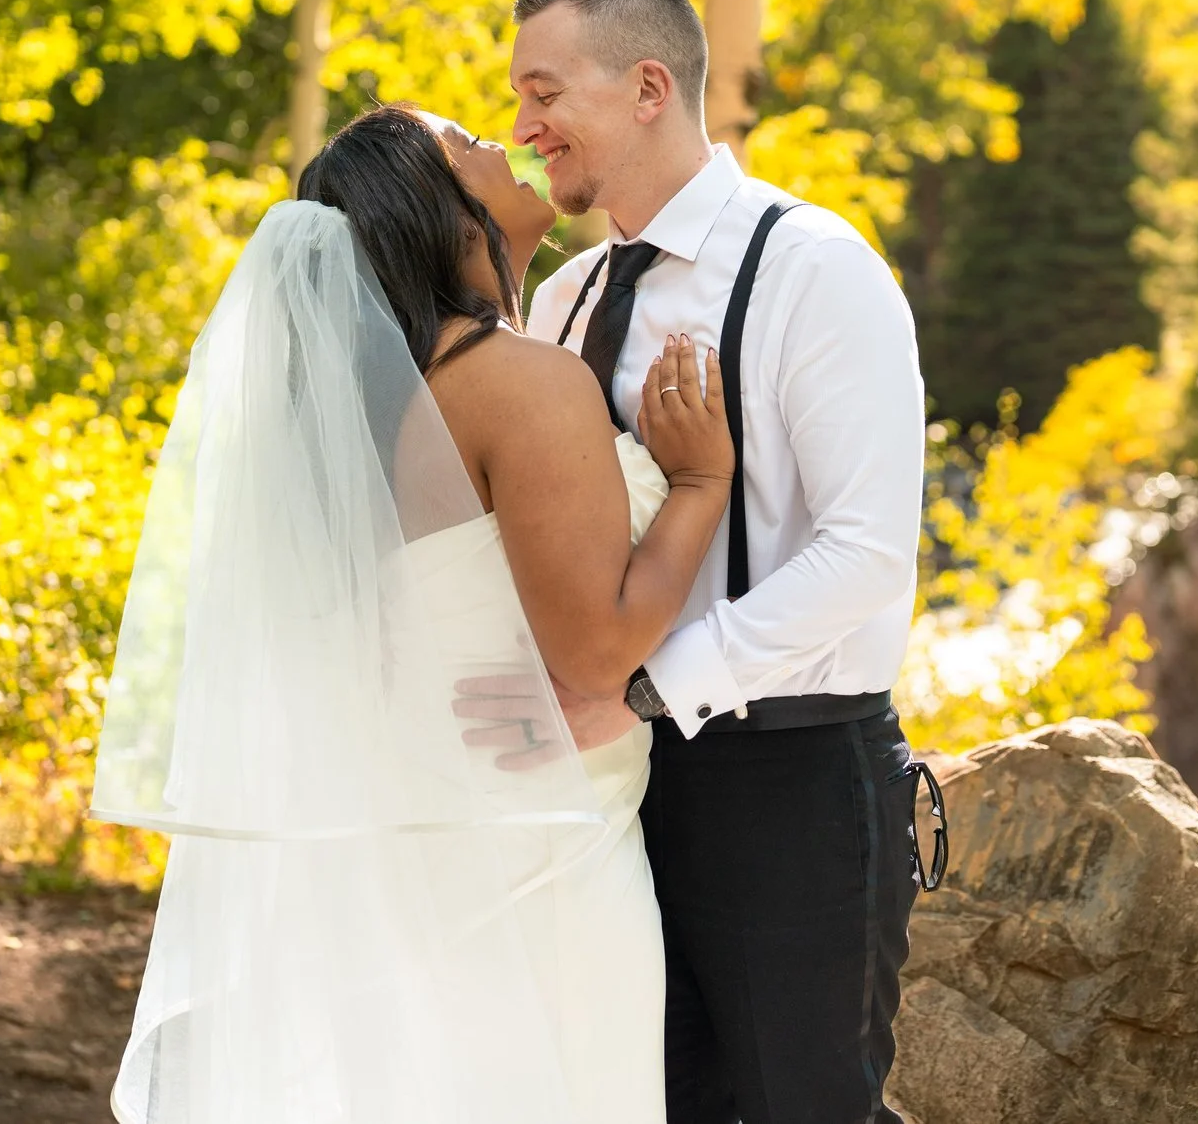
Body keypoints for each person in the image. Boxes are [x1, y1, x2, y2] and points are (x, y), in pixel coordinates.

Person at [93, 102, 739, 1124]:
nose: (503, 141)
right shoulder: (520, 383)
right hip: (543, 851)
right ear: (426, 213)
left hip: (421, 840)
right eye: (466, 148)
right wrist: (700, 482)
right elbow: (598, 650)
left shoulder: (357, 412)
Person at [512, 0, 929, 1124]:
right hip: (608, 794)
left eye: (545, 91)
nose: (522, 125)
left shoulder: (815, 269)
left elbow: (866, 554)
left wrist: (646, 689)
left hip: (788, 785)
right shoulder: (567, 298)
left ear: (648, 86)